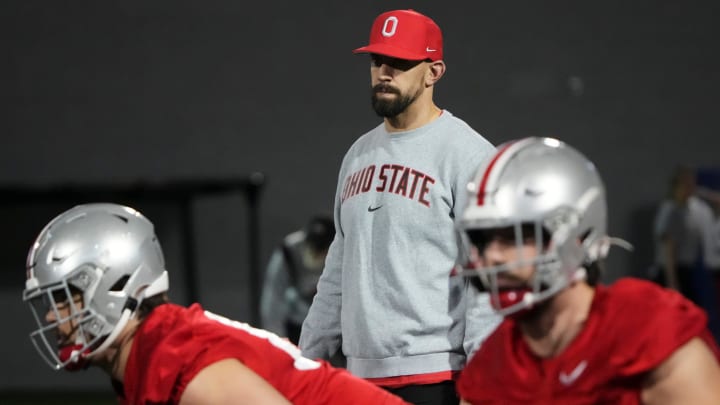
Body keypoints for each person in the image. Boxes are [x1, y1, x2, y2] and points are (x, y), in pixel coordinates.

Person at [299, 9, 500, 405]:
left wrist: (481, 385)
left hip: (438, 377)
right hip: (358, 378)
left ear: (433, 72)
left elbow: (488, 279)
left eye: (400, 63)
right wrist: (304, 362)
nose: (384, 72)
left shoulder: (469, 156)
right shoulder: (357, 155)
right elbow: (337, 273)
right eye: (378, 61)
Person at [22, 203, 407, 405]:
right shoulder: (152, 352)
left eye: (66, 299)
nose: (55, 317)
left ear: (116, 285)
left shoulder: (177, 361)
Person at [454, 137, 720, 404]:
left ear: (578, 235)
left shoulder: (647, 333)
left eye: (514, 236)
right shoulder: (493, 365)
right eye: (483, 240)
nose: (493, 256)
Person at [260, 213, 335, 344]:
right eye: (313, 247)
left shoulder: (345, 254)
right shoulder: (288, 251)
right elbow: (273, 299)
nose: (315, 253)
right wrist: (277, 343)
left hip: (333, 322)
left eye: (321, 249)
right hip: (297, 320)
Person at [653, 166, 716, 303]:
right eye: (687, 184)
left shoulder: (690, 208)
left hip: (686, 269)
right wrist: (672, 282)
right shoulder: (671, 210)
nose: (691, 188)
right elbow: (669, 248)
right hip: (673, 271)